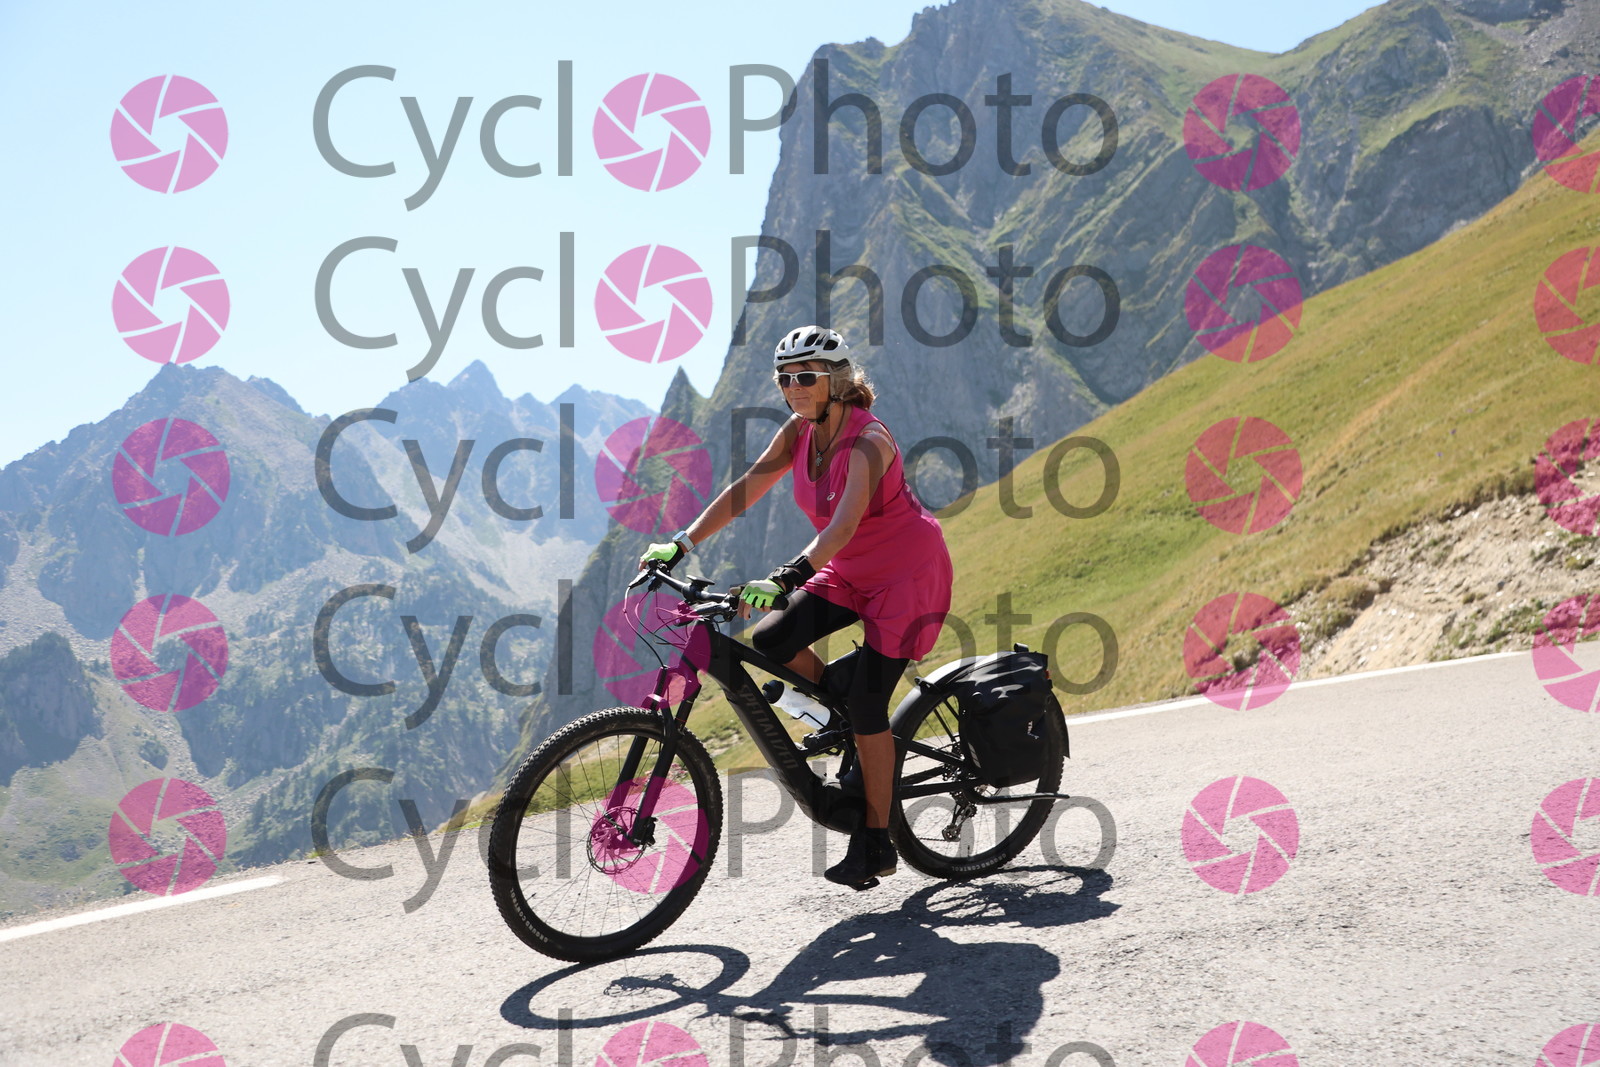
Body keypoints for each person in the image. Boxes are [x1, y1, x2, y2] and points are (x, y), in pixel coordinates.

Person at [637, 325, 953, 889]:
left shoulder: (869, 441)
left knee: (868, 703)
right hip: (848, 571)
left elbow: (843, 525)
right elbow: (746, 488)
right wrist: (682, 543)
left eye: (806, 376)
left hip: (904, 576)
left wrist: (786, 576)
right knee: (772, 639)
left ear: (838, 379)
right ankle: (843, 712)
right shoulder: (799, 431)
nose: (794, 387)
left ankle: (876, 839)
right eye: (784, 378)